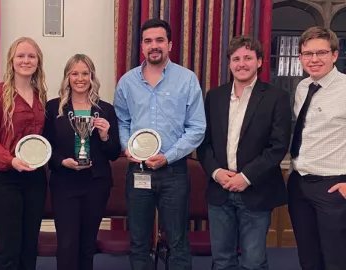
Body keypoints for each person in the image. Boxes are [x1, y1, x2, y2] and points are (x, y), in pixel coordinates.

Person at [113, 19, 206, 270]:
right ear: (142, 47)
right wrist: (127, 148)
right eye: (148, 41)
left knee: (177, 242)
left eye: (159, 40)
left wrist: (169, 156)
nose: (154, 46)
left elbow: (197, 128)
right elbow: (121, 121)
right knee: (139, 241)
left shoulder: (187, 80)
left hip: (174, 171)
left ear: (170, 44)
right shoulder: (127, 82)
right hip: (138, 171)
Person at [197, 36, 291, 270]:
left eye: (248, 58)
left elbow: (278, 146)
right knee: (222, 260)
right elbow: (203, 143)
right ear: (229, 63)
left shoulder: (276, 97)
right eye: (236, 58)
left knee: (253, 262)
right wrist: (217, 172)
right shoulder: (215, 96)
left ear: (259, 61)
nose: (241, 64)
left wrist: (245, 177)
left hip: (256, 190)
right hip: (220, 190)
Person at [43, 54, 121, 270]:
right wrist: (62, 162)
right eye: (74, 73)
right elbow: (46, 148)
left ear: (92, 76)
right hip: (65, 184)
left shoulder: (105, 110)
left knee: (87, 244)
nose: (80, 78)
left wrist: (105, 136)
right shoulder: (53, 108)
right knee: (67, 244)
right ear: (67, 77)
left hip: (96, 184)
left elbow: (114, 153)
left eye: (85, 73)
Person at [0, 37, 48, 270]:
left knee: (30, 246)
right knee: (9, 248)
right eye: (20, 56)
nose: (26, 60)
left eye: (31, 56)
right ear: (11, 61)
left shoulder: (41, 96)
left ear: (38, 61)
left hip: (35, 178)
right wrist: (11, 161)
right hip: (5, 179)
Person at [288, 26, 346, 270]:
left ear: (334, 54)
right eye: (307, 54)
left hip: (333, 187)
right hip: (299, 184)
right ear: (300, 57)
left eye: (320, 53)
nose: (314, 60)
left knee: (335, 260)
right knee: (308, 258)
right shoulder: (302, 88)